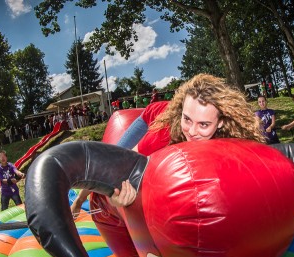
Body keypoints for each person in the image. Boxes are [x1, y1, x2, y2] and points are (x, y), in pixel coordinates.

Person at [71, 73, 265, 212]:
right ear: (181, 111)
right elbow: (124, 167)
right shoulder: (163, 134)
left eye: (204, 124)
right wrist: (115, 199)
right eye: (187, 119)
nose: (192, 131)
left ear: (221, 122)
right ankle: (79, 200)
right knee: (111, 157)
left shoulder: (226, 137)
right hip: (150, 117)